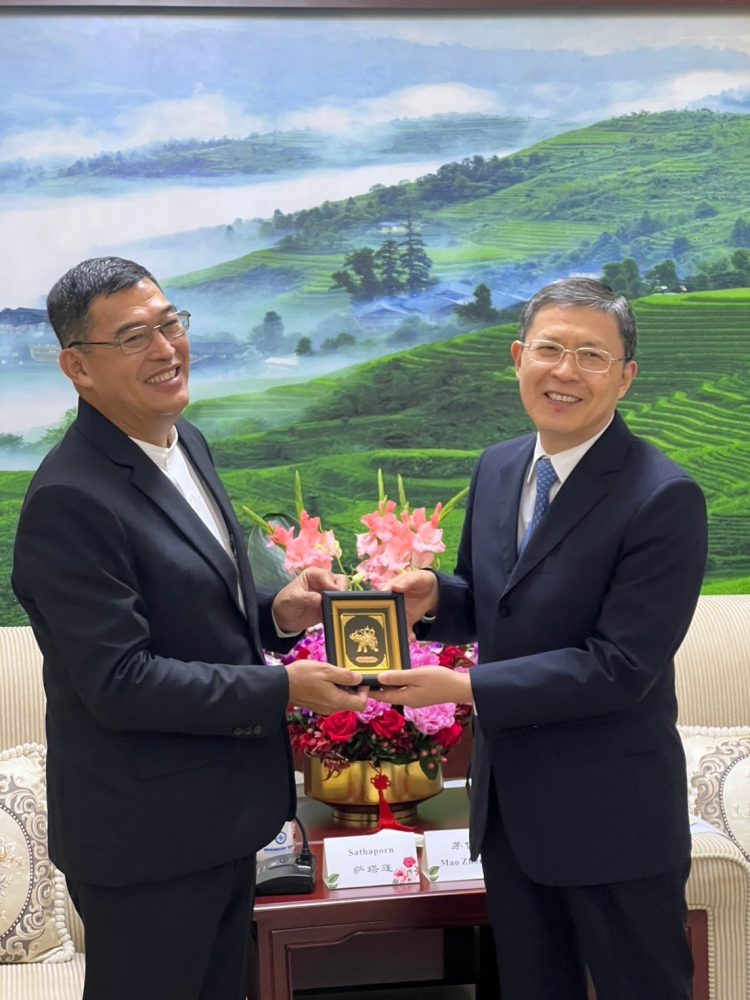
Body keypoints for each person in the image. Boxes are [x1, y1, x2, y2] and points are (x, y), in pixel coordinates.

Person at [11, 256, 368, 1000]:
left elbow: (194, 608)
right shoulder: (70, 499)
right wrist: (283, 688)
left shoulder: (185, 445)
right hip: (146, 842)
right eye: (133, 336)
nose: (166, 348)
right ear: (78, 367)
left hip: (221, 822)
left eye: (170, 323)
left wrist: (277, 611)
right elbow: (120, 682)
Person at [374, 276, 708, 999]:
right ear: (518, 357)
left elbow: (620, 666)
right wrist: (434, 598)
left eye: (592, 355)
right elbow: (493, 601)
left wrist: (465, 687)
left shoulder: (663, 496)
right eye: (550, 349)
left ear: (626, 377)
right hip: (511, 814)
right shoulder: (500, 466)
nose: (565, 371)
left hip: (614, 819)